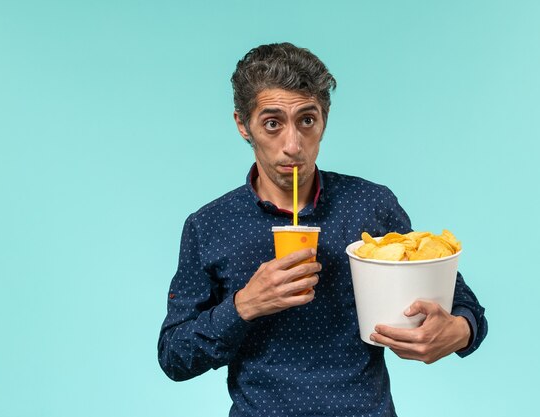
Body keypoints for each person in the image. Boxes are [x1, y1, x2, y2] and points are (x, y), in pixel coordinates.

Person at [158, 42, 487, 417]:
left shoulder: (371, 205)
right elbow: (174, 357)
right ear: (242, 125)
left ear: (324, 121)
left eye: (307, 120)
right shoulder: (209, 226)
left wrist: (458, 331)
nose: (293, 145)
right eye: (272, 123)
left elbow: (465, 306)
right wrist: (245, 305)